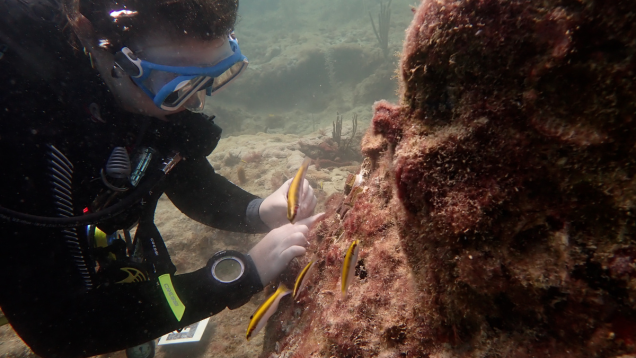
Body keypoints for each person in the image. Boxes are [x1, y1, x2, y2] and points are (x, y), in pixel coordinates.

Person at [0, 0, 321, 357]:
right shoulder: (20, 129)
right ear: (91, 37)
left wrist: (257, 211)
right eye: (175, 83)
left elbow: (176, 173)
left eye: (212, 77)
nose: (195, 102)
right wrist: (235, 275)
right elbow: (58, 327)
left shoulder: (130, 83)